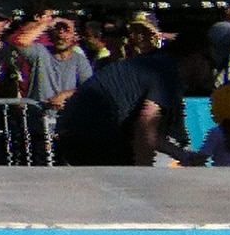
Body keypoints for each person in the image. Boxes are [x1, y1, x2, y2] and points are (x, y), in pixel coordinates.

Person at [53, 28, 195, 167]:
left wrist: (184, 156)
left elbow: (153, 136)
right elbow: (145, 128)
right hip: (93, 132)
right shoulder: (168, 72)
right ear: (196, 59)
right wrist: (145, 175)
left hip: (72, 127)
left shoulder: (153, 64)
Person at [31, 15, 96, 111]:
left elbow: (89, 88)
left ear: (75, 36)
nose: (61, 34)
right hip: (39, 115)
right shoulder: (41, 52)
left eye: (66, 30)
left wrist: (65, 95)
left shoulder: (79, 60)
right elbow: (18, 42)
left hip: (66, 116)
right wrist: (47, 24)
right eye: (57, 29)